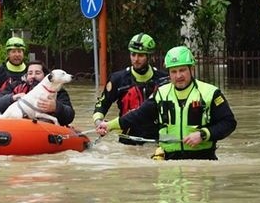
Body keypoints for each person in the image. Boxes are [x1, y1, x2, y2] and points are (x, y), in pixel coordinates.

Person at [96, 45, 237, 160]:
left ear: (191, 69)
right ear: (169, 73)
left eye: (182, 70)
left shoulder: (210, 93)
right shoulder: (161, 94)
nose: (178, 76)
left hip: (203, 159)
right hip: (169, 159)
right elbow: (138, 115)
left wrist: (203, 134)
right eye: (174, 71)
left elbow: (229, 123)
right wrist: (109, 125)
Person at [93, 32, 169, 144]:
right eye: (133, 54)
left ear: (150, 57)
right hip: (127, 139)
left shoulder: (163, 80)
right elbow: (102, 104)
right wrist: (99, 122)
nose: (136, 59)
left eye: (141, 55)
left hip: (157, 139)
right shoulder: (117, 79)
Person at [0, 60, 75, 126]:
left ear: (46, 76)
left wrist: (56, 107)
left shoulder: (58, 91)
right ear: (26, 76)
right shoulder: (15, 86)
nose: (33, 76)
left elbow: (70, 116)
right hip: (14, 126)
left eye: (37, 73)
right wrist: (13, 98)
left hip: (43, 130)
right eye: (30, 73)